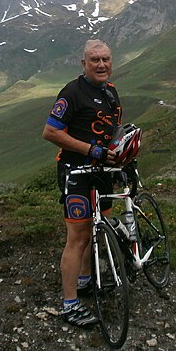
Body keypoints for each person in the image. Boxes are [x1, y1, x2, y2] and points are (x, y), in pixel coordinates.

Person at [42, 39, 122, 327]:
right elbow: (50, 132)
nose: (101, 65)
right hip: (75, 172)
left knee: (97, 231)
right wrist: (90, 150)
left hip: (103, 172)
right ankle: (70, 304)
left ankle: (88, 280)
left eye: (106, 59)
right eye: (94, 60)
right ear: (84, 64)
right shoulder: (72, 93)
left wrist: (119, 151)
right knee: (77, 238)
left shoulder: (110, 91)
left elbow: (111, 129)